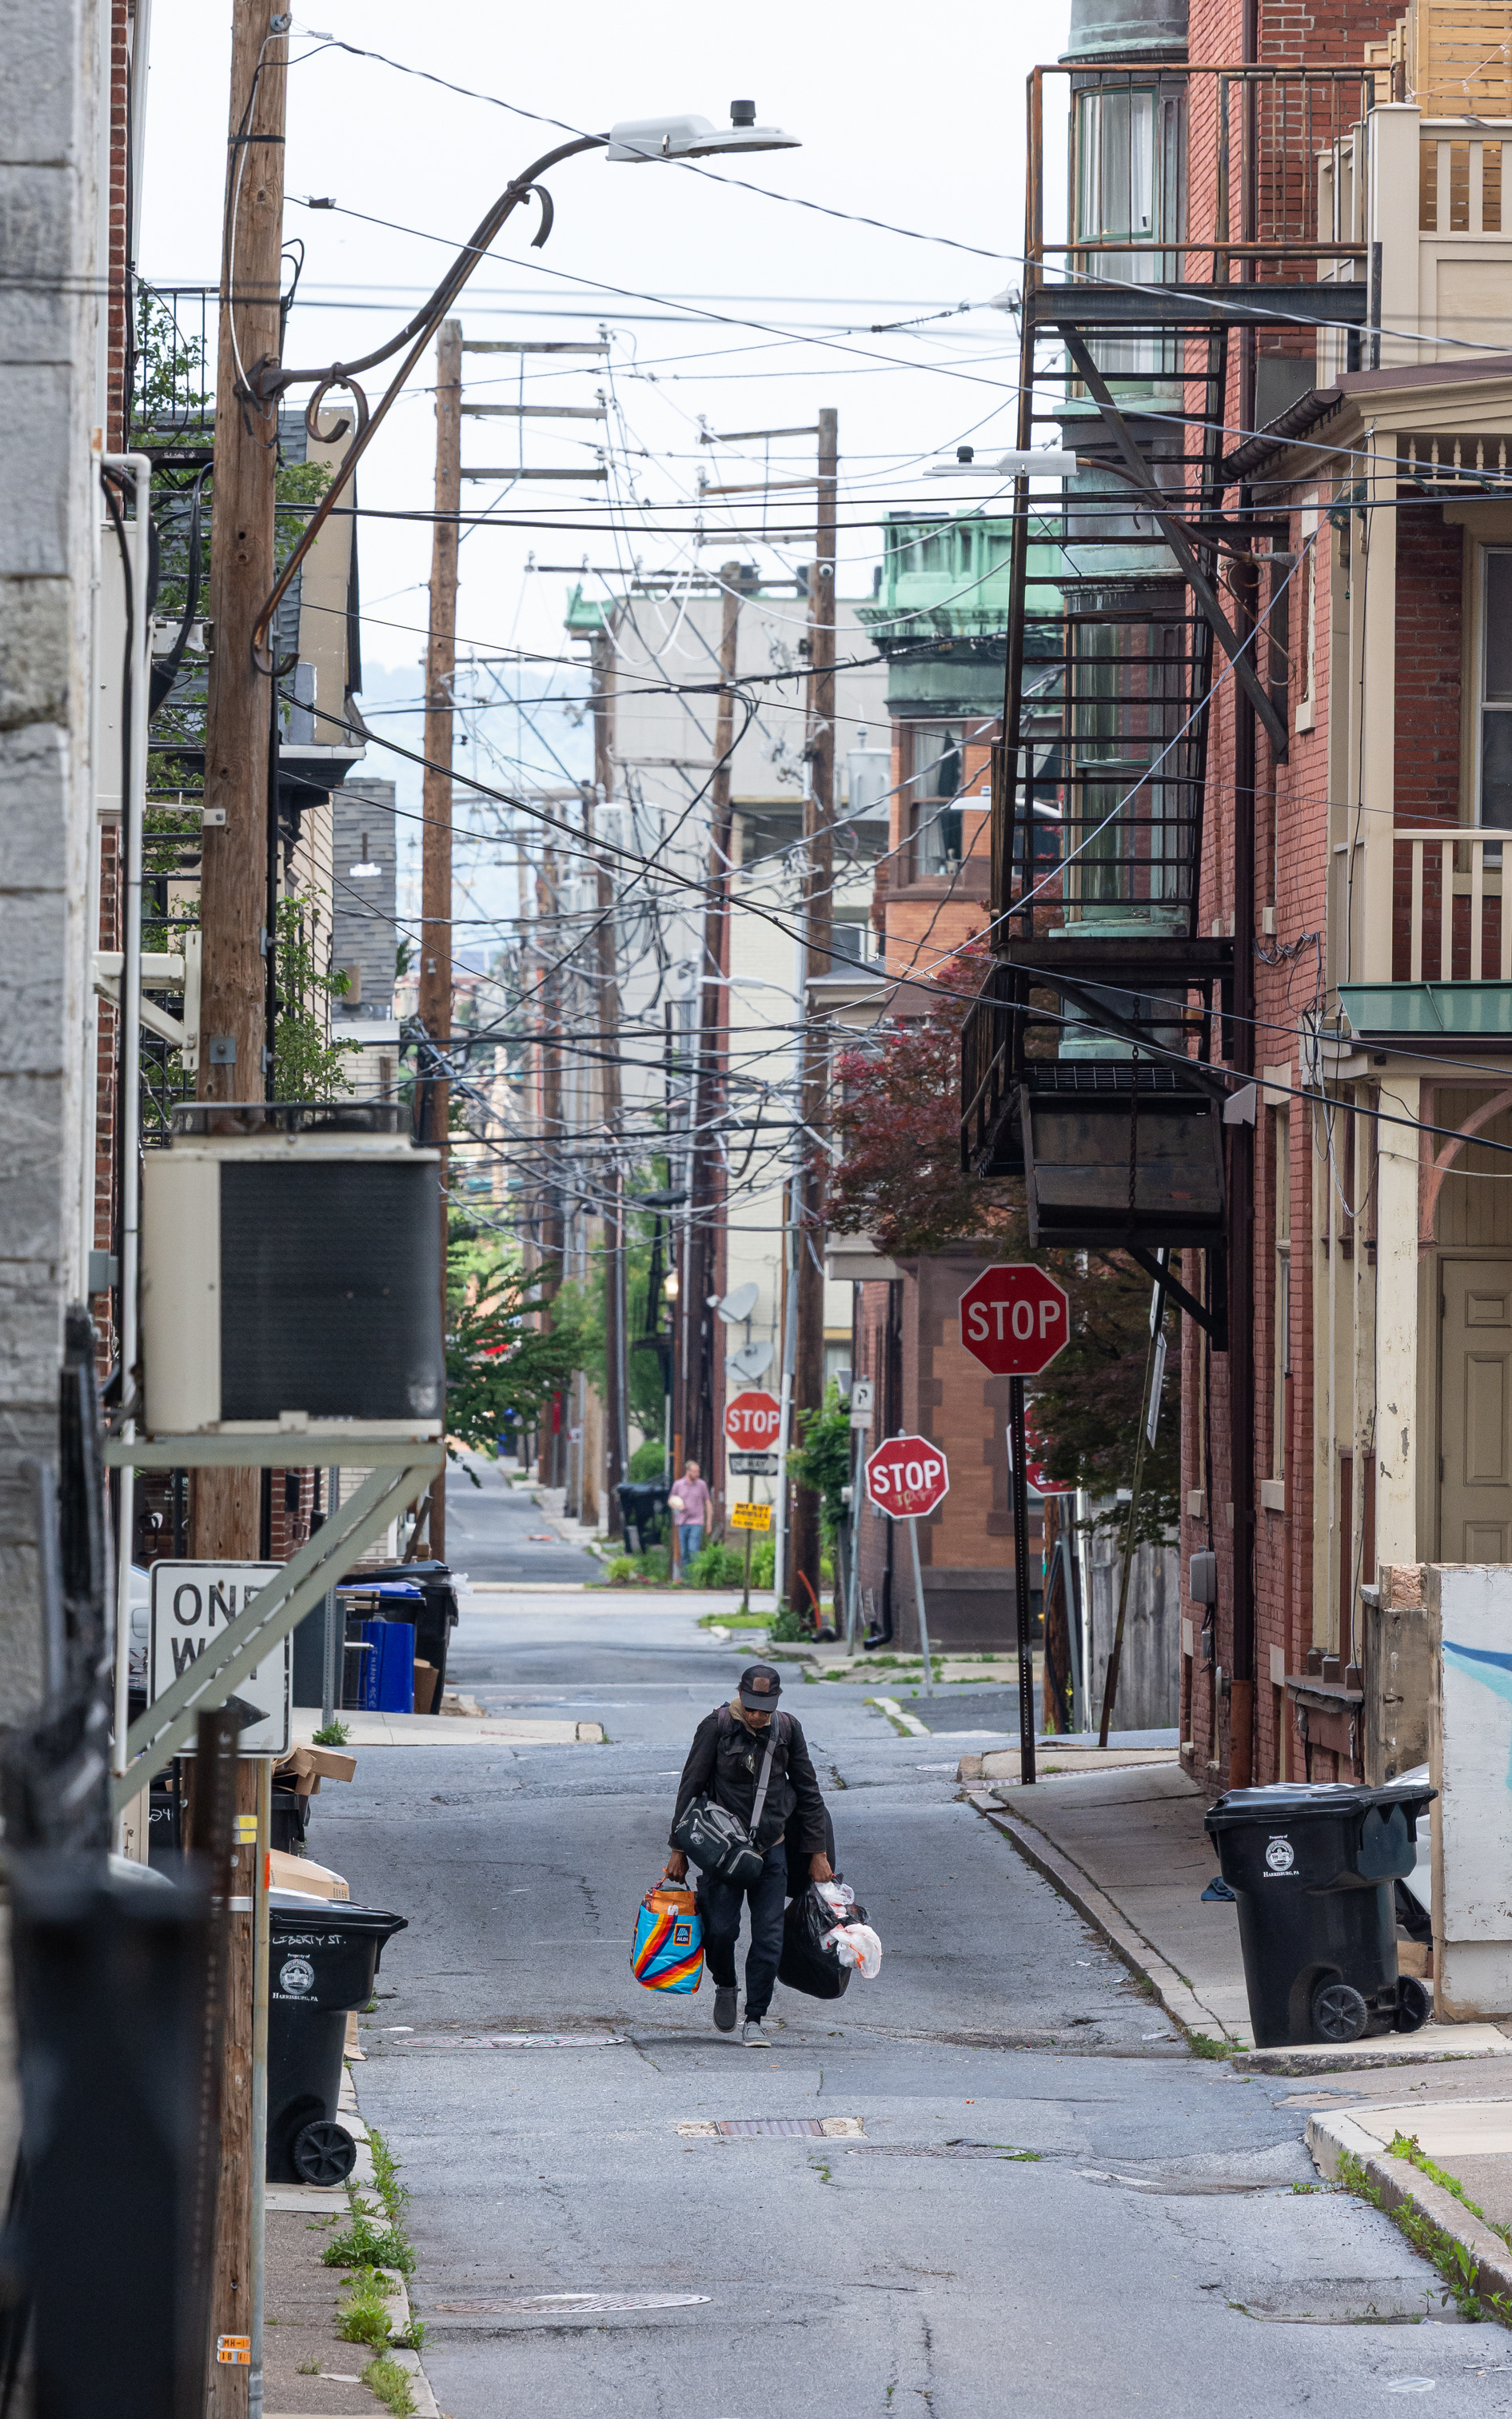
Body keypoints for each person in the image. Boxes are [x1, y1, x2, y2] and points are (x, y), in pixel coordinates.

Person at [666, 1663, 832, 2046]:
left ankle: (755, 2017)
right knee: (721, 1932)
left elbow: (809, 1794)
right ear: (740, 1694)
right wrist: (678, 1849)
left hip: (771, 1850)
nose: (758, 1715)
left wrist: (817, 1853)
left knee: (770, 1938)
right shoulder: (717, 1727)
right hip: (722, 1853)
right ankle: (726, 1983)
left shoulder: (788, 1730)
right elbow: (690, 1787)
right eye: (753, 1706)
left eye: (766, 1708)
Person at [668, 1459, 711, 1569]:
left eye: (698, 1471)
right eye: (695, 1471)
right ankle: (687, 1579)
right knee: (684, 1552)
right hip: (682, 1522)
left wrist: (709, 1522)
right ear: (688, 1471)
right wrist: (678, 1507)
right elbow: (671, 1500)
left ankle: (696, 1574)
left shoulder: (702, 1484)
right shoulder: (678, 1485)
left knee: (693, 1548)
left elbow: (707, 1502)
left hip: (697, 1521)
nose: (697, 1474)